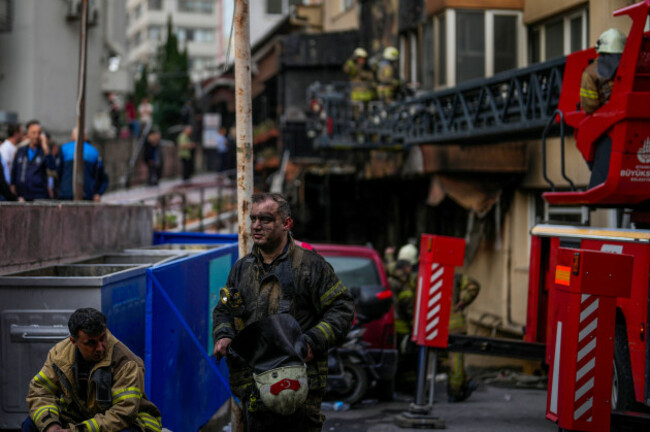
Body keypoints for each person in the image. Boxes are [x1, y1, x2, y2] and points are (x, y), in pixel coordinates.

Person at [212, 193, 354, 432]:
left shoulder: (311, 266)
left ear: (286, 224)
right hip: (253, 385)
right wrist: (224, 335)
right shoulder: (242, 269)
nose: (256, 226)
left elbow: (342, 308)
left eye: (265, 219)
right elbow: (224, 310)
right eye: (253, 218)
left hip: (298, 387)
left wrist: (311, 341)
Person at [24, 308, 162, 432]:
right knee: (31, 425)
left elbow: (123, 413)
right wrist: (51, 427)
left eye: (103, 338)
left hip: (126, 422)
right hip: (78, 419)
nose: (100, 348)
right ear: (74, 341)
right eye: (91, 343)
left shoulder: (127, 363)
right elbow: (40, 393)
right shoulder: (59, 355)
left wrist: (78, 430)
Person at [580, 28, 627, 189]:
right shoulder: (631, 66)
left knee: (583, 137)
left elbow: (589, 106)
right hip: (629, 119)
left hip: (605, 123)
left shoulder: (591, 72)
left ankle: (599, 182)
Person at [446, 273, 480, 402]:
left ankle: (455, 392)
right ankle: (465, 382)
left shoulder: (431, 276)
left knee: (455, 361)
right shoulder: (455, 276)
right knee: (454, 360)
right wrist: (462, 302)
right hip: (456, 324)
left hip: (444, 324)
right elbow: (473, 286)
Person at [56, 128, 109, 201]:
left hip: (66, 195)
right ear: (86, 137)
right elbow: (103, 178)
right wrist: (98, 193)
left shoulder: (64, 149)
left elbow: (57, 172)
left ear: (72, 137)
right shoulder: (94, 151)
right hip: (86, 195)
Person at [388, 258, 417, 392]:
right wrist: (414, 325)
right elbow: (407, 305)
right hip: (403, 328)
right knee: (408, 359)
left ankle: (396, 385)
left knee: (397, 358)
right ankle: (408, 387)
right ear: (406, 269)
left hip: (391, 325)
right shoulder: (403, 283)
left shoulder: (390, 280)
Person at [10, 120, 54, 201]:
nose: (36, 136)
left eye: (39, 133)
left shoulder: (44, 152)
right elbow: (14, 171)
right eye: (33, 133)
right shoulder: (21, 151)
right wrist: (13, 189)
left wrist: (45, 147)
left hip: (39, 196)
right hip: (22, 196)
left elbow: (52, 168)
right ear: (28, 134)